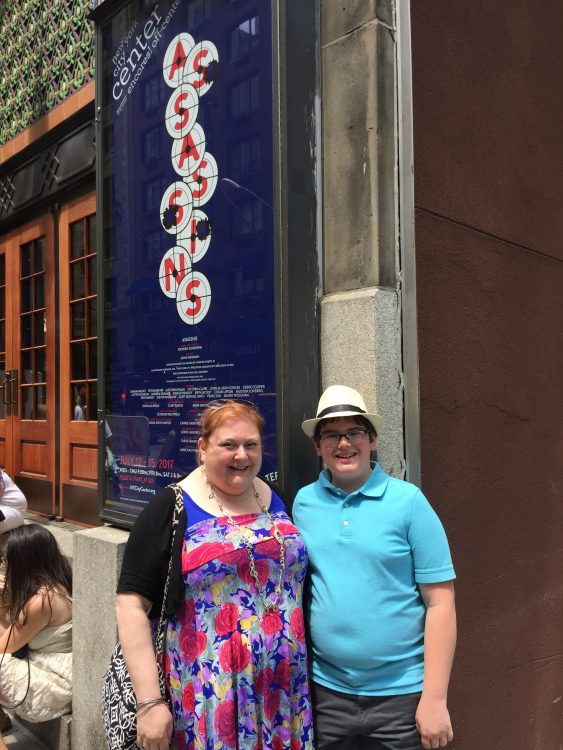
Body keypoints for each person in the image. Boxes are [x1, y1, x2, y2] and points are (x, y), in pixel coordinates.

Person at [116, 400, 313, 750]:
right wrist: (149, 703)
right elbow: (130, 603)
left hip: (283, 689)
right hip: (211, 694)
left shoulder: (273, 495)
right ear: (202, 449)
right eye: (229, 445)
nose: (242, 455)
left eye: (251, 445)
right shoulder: (171, 507)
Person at [293, 385, 456, 750]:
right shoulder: (303, 503)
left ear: (373, 439)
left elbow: (440, 603)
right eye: (331, 435)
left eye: (354, 432)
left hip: (401, 699)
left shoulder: (409, 503)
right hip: (325, 694)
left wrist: (434, 699)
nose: (344, 444)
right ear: (317, 446)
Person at [0, 524, 72, 748]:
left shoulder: (42, 600)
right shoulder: (58, 583)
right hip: (58, 672)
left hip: (54, 684)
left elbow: (5, 645)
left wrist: (2, 604)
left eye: (7, 558)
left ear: (24, 561)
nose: (4, 564)